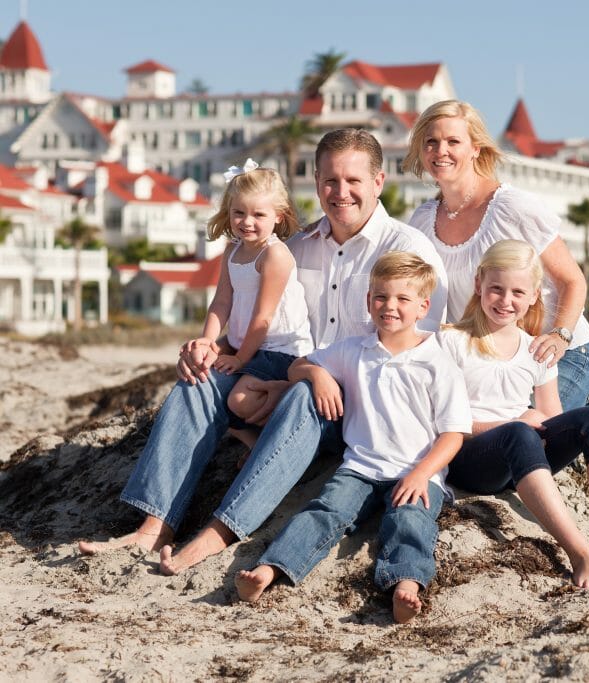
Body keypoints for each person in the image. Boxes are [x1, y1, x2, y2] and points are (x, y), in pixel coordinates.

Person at [78, 129, 448, 566]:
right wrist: (209, 348)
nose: (340, 192)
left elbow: (411, 360)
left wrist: (300, 380)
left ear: (378, 182)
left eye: (353, 181)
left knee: (305, 397)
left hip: (356, 407)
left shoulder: (408, 251)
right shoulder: (293, 248)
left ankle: (218, 532)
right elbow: (261, 325)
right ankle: (154, 525)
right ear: (315, 181)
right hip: (288, 374)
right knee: (200, 381)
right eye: (330, 180)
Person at [234, 252, 471, 623]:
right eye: (380, 297)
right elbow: (297, 367)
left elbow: (453, 435)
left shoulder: (437, 362)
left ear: (424, 306)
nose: (389, 307)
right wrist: (319, 375)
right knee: (324, 512)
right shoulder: (353, 350)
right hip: (359, 468)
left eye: (402, 299)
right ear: (368, 300)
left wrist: (421, 474)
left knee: (410, 520)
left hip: (416, 472)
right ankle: (269, 570)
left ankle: (406, 584)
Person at [438, 240, 589, 589]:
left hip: (523, 457)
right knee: (519, 432)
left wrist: (541, 425)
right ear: (479, 285)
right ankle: (581, 555)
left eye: (518, 292)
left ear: (534, 295)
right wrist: (513, 423)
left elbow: (550, 419)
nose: (506, 301)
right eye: (497, 289)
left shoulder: (535, 349)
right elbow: (444, 423)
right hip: (473, 459)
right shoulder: (452, 342)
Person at [404, 99, 589, 411]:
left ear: (475, 149)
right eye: (431, 142)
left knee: (529, 430)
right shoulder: (421, 222)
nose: (441, 151)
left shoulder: (513, 208)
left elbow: (573, 280)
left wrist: (561, 336)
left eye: (453, 141)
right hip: (483, 356)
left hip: (553, 353)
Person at [193, 159, 313, 452]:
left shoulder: (275, 255)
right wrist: (208, 341)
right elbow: (221, 302)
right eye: (239, 213)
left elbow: (263, 317)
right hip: (247, 345)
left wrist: (240, 360)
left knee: (238, 400)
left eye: (258, 214)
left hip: (280, 349)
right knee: (204, 379)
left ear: (279, 217)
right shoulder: (232, 251)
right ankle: (253, 441)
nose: (247, 222)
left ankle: (288, 417)